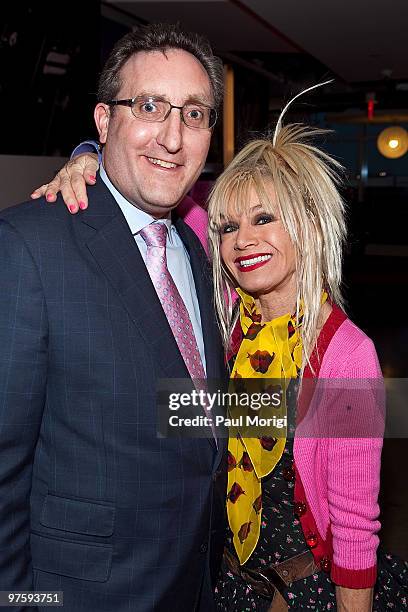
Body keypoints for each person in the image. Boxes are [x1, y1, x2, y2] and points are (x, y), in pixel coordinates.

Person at [0, 23, 228, 612]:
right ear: (103, 121)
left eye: (196, 115)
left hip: (193, 586)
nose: (173, 137)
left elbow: (185, 410)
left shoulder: (199, 250)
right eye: (150, 106)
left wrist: (359, 401)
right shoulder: (30, 245)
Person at [206, 122, 407, 611]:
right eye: (229, 227)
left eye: (263, 219)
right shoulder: (230, 331)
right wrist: (90, 159)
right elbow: (152, 194)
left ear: (309, 225)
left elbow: (355, 525)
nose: (242, 240)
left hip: (303, 592)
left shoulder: (346, 354)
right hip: (226, 584)